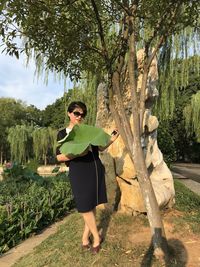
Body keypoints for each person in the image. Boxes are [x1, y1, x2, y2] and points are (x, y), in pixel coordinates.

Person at [56, 101, 119, 254]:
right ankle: (97, 238)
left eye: (82, 114)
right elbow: (59, 157)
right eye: (76, 113)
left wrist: (112, 138)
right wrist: (77, 153)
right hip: (78, 171)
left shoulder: (89, 131)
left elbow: (101, 147)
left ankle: (85, 238)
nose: (79, 116)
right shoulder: (63, 133)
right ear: (69, 113)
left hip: (94, 168)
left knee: (90, 205)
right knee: (84, 206)